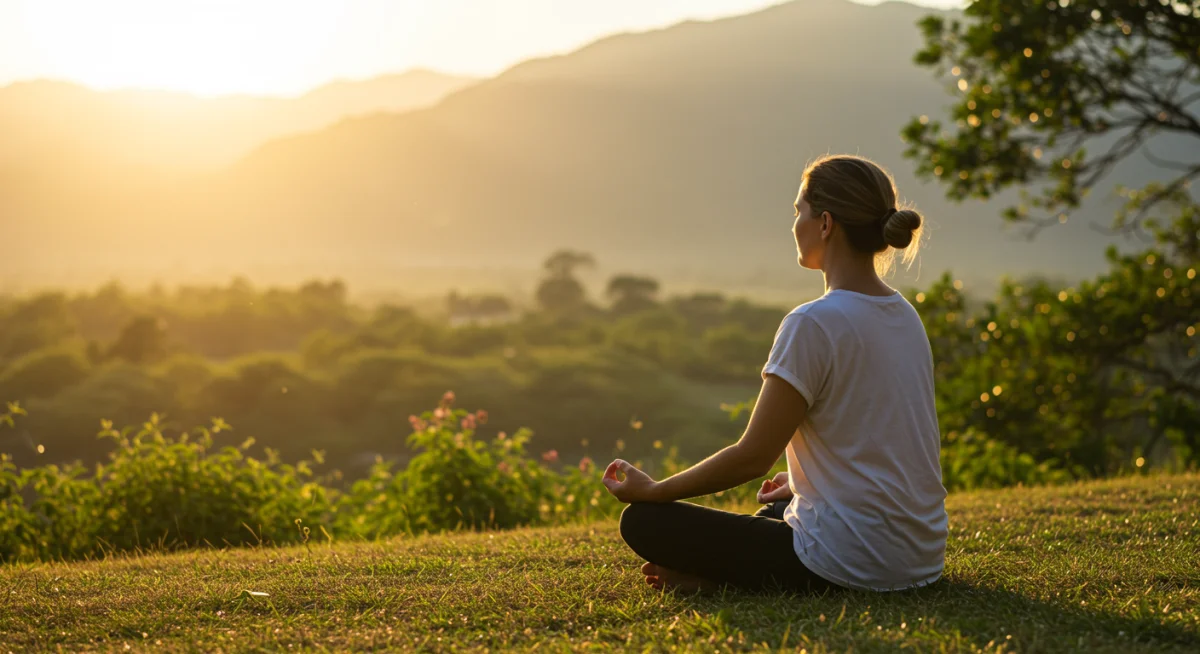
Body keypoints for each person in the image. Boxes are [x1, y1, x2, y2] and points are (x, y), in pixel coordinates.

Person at [601, 154, 948, 593]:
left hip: (855, 560)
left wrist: (656, 490)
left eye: (798, 211)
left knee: (646, 522)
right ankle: (726, 573)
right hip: (919, 558)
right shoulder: (905, 315)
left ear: (825, 224)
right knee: (777, 508)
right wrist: (811, 479)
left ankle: (719, 581)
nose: (794, 224)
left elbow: (751, 457)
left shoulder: (813, 322)